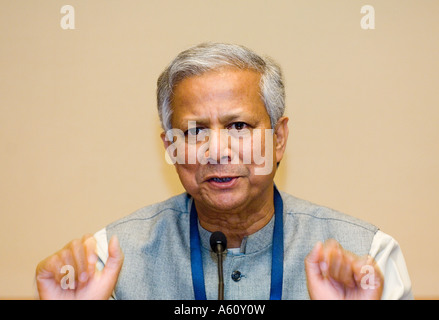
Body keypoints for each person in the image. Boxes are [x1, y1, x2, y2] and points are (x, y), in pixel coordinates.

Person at [35, 42, 413, 300]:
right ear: (171, 147)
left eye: (238, 127)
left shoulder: (369, 257)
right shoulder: (105, 261)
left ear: (278, 139)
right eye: (195, 131)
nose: (217, 151)